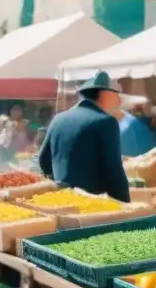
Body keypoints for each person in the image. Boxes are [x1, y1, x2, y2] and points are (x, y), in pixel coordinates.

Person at [38, 70, 130, 202]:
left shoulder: (58, 119)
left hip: (61, 201)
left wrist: (61, 184)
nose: (119, 100)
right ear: (105, 94)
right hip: (92, 204)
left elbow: (43, 160)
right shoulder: (105, 121)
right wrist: (125, 205)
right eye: (117, 94)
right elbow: (114, 171)